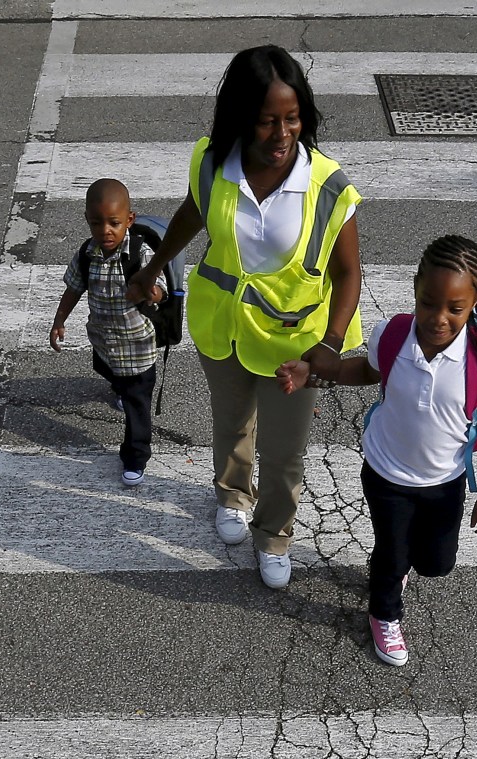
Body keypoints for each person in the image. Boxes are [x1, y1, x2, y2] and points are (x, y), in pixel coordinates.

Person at [126, 45, 363, 588]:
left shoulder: (326, 185)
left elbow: (349, 273)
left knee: (284, 453)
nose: (282, 135)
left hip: (294, 345)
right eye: (267, 122)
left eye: (292, 119)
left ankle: (274, 535)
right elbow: (194, 213)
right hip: (224, 327)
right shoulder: (214, 163)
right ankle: (232, 496)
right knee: (232, 425)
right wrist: (154, 268)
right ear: (241, 119)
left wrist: (328, 344)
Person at [277, 235, 477, 666]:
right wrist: (315, 375)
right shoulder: (393, 334)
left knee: (436, 563)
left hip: (445, 482)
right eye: (429, 304)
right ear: (415, 288)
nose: (439, 319)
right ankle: (384, 613)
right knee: (391, 555)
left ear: (476, 300)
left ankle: (396, 566)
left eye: (455, 308)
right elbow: (365, 369)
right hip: (386, 473)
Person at [50, 177, 166, 487]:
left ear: (129, 220)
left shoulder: (140, 254)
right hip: (104, 341)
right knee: (109, 372)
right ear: (87, 221)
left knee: (137, 405)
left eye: (114, 223)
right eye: (97, 223)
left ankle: (135, 456)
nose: (106, 230)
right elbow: (74, 288)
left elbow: (161, 290)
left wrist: (151, 291)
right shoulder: (87, 254)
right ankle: (118, 389)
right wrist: (60, 319)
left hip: (138, 347)